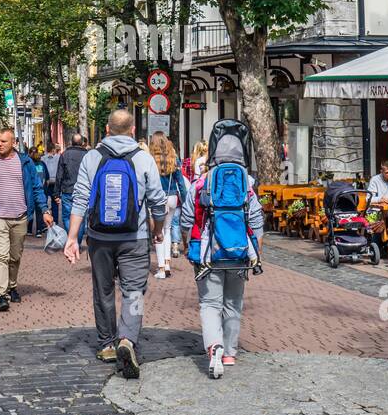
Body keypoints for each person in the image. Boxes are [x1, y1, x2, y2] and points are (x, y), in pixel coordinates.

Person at [63, 109, 167, 379]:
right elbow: (158, 201)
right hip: (134, 237)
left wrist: (72, 238)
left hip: (99, 238)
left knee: (103, 291)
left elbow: (81, 198)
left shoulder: (93, 157)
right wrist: (158, 231)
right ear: (133, 130)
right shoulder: (144, 158)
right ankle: (128, 340)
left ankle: (107, 344)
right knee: (134, 292)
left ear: (107, 130)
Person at [180, 128, 265, 379]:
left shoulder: (201, 183)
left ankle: (213, 347)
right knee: (233, 303)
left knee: (209, 303)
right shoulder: (246, 184)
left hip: (208, 252)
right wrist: (256, 251)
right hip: (239, 252)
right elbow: (257, 219)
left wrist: (188, 244)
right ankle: (229, 352)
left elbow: (187, 218)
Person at [0, 127, 52, 311]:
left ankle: (12, 285)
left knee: (15, 256)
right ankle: (2, 294)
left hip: (21, 216)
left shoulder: (26, 163)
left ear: (14, 143)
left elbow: (36, 188)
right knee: (0, 255)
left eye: (3, 141)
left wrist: (45, 210)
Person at [149, 132, 187, 279]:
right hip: (172, 197)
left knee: (158, 231)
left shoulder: (151, 159)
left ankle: (161, 267)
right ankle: (167, 263)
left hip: (157, 197)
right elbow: (181, 183)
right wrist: (184, 200)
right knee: (168, 229)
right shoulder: (174, 158)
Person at [56, 134, 88, 231]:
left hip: (67, 190)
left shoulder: (65, 154)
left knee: (67, 216)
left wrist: (56, 193)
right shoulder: (87, 155)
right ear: (82, 143)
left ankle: (71, 237)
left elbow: (59, 174)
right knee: (81, 217)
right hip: (83, 191)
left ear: (72, 142)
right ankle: (76, 241)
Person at [28, 148, 51, 235]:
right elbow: (47, 178)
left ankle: (29, 230)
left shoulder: (28, 164)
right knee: (39, 211)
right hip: (41, 190)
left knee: (30, 210)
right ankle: (39, 230)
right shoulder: (42, 164)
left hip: (31, 191)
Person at [42, 144, 61, 223]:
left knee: (44, 202)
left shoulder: (43, 158)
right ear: (53, 150)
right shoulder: (58, 157)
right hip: (55, 183)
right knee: (55, 202)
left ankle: (43, 222)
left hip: (45, 182)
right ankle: (55, 221)